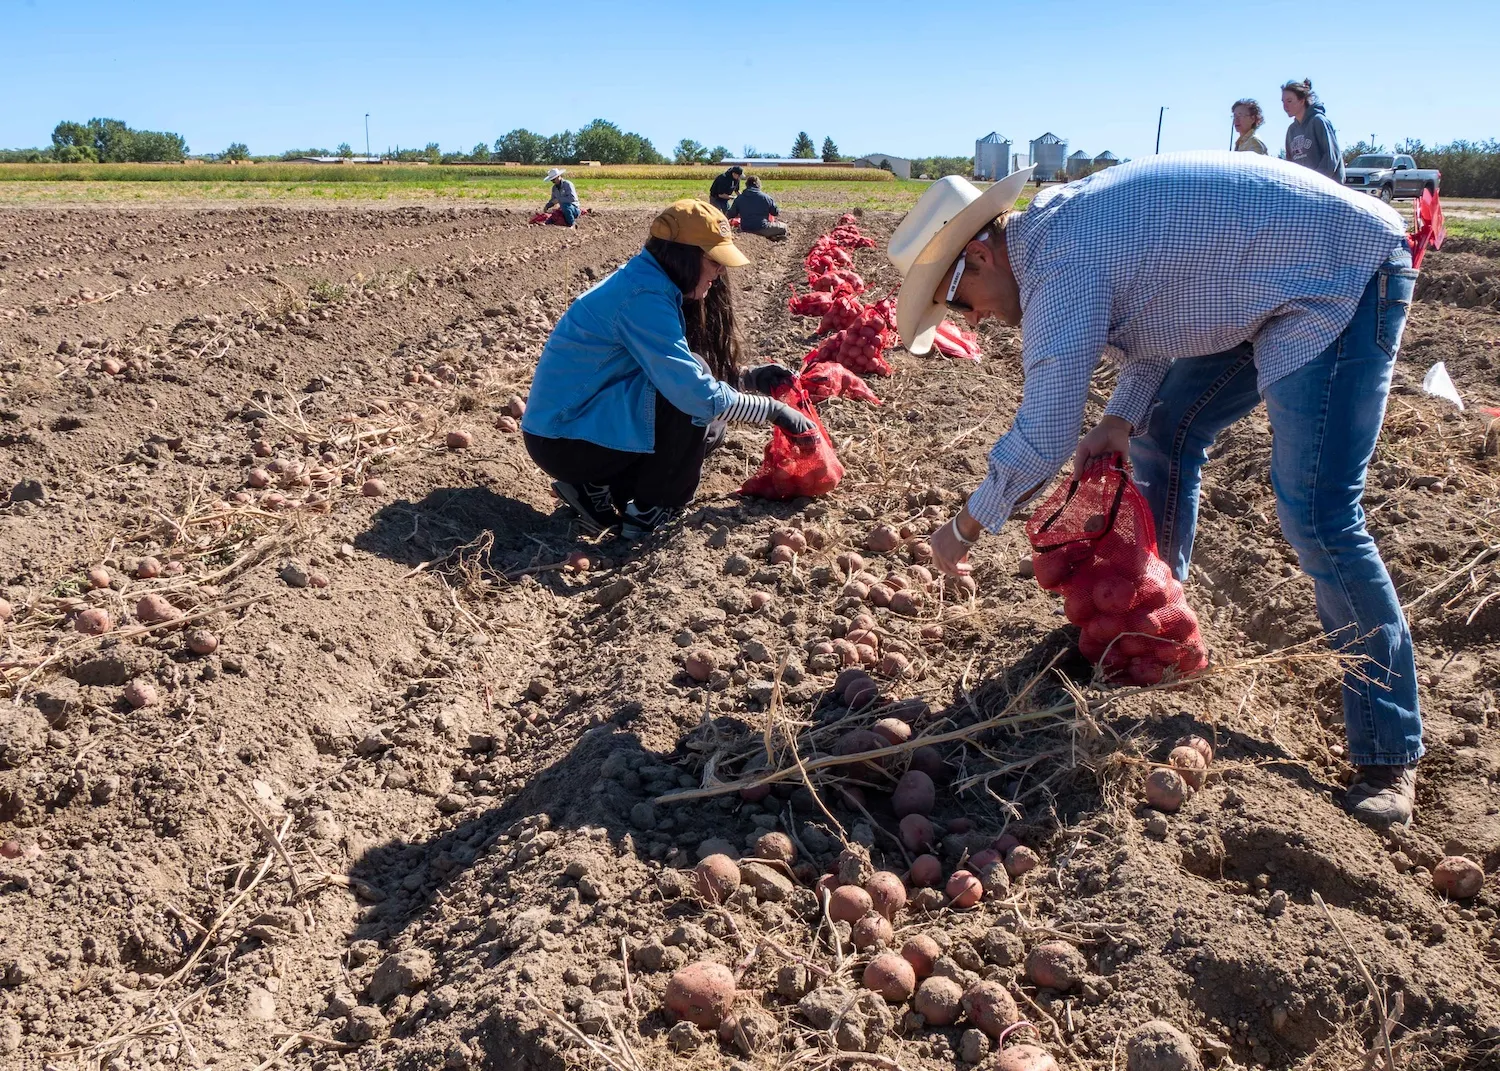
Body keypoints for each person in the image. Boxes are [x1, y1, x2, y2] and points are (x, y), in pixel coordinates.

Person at [884, 153, 1421, 828]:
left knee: (1318, 511)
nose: (978, 322)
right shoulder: (1066, 238)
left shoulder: (1059, 263)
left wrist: (964, 525)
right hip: (1262, 287)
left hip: (1340, 274)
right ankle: (1151, 634)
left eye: (959, 303)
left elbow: (1045, 433)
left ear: (980, 258)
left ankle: (1387, 748)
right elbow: (1162, 321)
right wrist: (1117, 422)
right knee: (1162, 433)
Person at [522, 200, 811, 540]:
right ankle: (649, 511)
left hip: (571, 427)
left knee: (711, 428)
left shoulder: (650, 283)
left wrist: (749, 377)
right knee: (696, 409)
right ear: (683, 255)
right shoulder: (643, 296)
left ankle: (592, 487)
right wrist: (773, 411)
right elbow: (693, 391)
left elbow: (676, 367)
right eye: (714, 261)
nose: (719, 272)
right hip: (564, 438)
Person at [1281, 79, 1344, 183]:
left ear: (1302, 101)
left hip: (1325, 187)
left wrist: (1314, 182)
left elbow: (1331, 157)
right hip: (1303, 188)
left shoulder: (1318, 121)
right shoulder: (1291, 130)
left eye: (1289, 101)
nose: (1285, 106)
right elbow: (1290, 163)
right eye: (1283, 102)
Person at [729, 176, 788, 242]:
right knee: (784, 227)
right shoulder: (766, 198)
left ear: (746, 185)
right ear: (758, 185)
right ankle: (772, 237)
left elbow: (731, 214)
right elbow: (775, 212)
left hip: (745, 228)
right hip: (762, 227)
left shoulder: (739, 198)